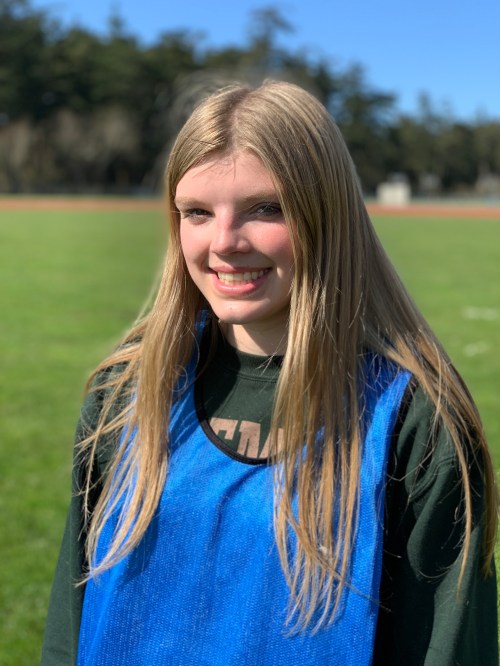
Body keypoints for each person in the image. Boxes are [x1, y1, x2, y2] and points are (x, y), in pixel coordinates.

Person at [42, 80, 498, 666]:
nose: (224, 242)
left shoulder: (415, 420)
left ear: (326, 213)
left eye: (265, 208)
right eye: (197, 212)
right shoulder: (126, 391)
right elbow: (71, 618)